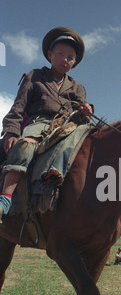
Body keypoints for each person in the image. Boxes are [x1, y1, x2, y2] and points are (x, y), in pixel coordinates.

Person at [0, 26, 93, 223]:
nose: (65, 59)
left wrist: (86, 111)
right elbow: (18, 106)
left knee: (81, 142)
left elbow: (83, 111)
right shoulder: (34, 76)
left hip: (68, 126)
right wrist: (10, 132)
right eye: (60, 54)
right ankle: (6, 198)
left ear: (74, 63)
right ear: (50, 55)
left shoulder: (77, 87)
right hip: (39, 121)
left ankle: (52, 179)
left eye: (70, 56)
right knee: (25, 145)